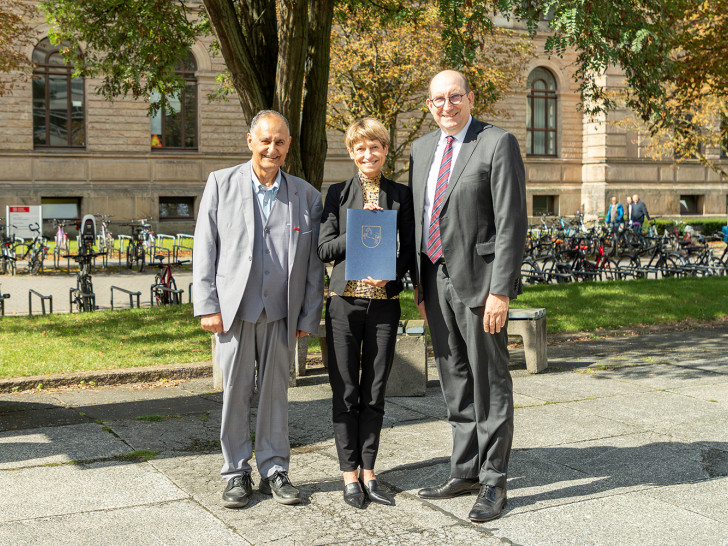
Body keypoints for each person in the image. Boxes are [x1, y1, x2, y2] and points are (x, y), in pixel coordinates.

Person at [408, 70, 527, 523]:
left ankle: (495, 482)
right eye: (437, 99)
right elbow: (420, 219)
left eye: (454, 96)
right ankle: (465, 470)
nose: (446, 105)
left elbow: (511, 220)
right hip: (434, 281)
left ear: (470, 97)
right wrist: (419, 284)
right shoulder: (420, 149)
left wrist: (500, 290)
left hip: (480, 284)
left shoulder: (496, 143)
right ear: (429, 104)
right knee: (454, 379)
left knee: (490, 383)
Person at [192, 110, 324, 509]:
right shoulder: (221, 183)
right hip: (233, 311)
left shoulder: (306, 195)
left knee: (275, 394)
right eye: (265, 140)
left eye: (280, 142)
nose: (272, 148)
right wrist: (207, 305)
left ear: (288, 146)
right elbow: (205, 247)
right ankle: (235, 473)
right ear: (250, 140)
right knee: (235, 393)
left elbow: (314, 266)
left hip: (282, 313)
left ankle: (274, 469)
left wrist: (307, 315)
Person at [318, 117, 415, 509]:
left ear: (385, 150)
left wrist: (390, 282)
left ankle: (370, 472)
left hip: (384, 304)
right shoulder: (337, 194)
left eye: (374, 146)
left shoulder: (400, 195)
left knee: (374, 392)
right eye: (360, 148)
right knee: (345, 391)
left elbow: (408, 250)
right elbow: (324, 249)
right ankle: (348, 475)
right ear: (351, 153)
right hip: (344, 303)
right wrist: (360, 229)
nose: (367, 153)